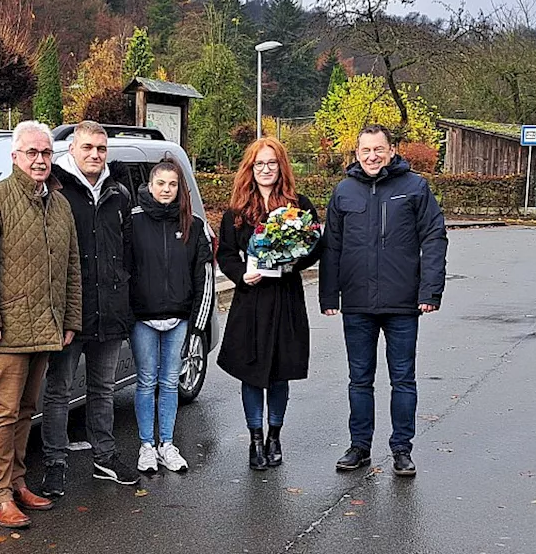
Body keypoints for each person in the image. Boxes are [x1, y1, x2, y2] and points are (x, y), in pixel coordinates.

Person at [0, 120, 81, 529]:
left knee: (26, 410)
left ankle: (17, 482)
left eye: (46, 153)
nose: (39, 160)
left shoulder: (60, 204)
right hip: (6, 332)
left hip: (44, 329)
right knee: (3, 413)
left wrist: (69, 319)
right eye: (31, 152)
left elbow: (71, 269)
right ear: (15, 156)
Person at [321, 124, 447, 478]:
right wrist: (329, 294)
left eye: (378, 149)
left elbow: (434, 238)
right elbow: (332, 246)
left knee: (403, 379)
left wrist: (429, 292)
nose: (372, 156)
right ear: (356, 154)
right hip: (357, 302)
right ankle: (359, 446)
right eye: (365, 151)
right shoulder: (344, 191)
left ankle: (402, 449)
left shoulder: (415, 188)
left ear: (391, 151)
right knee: (359, 379)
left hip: (403, 303)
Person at [40, 121, 138, 498]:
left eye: (100, 148)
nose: (94, 154)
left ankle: (105, 456)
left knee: (102, 387)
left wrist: (125, 294)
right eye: (87, 148)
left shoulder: (118, 193)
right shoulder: (56, 189)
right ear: (72, 150)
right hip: (70, 312)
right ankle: (55, 463)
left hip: (110, 309)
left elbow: (127, 250)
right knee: (59, 389)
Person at [216, 137, 324, 470]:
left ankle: (275, 435)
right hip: (251, 301)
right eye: (259, 164)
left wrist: (290, 264)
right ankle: (255, 441)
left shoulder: (298, 205)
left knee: (279, 373)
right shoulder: (237, 210)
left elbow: (315, 246)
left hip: (285, 298)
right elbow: (226, 254)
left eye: (271, 163)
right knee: (252, 372)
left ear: (281, 167)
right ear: (250, 168)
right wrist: (239, 275)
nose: (265, 169)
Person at [129, 159, 214, 474]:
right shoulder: (133, 221)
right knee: (146, 381)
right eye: (161, 183)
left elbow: (203, 277)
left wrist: (197, 327)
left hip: (178, 319)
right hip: (143, 319)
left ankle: (167, 443)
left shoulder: (192, 224)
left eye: (173, 184)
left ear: (180, 188)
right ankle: (146, 446)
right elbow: (124, 270)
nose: (166, 189)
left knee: (168, 382)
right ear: (151, 185)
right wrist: (127, 315)